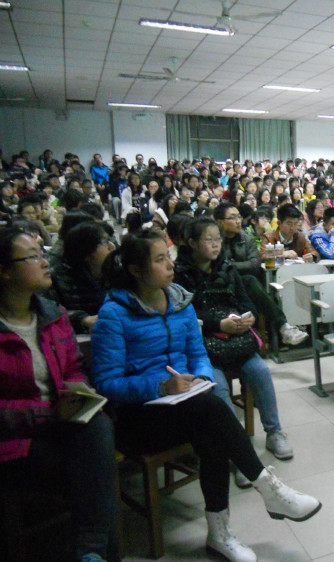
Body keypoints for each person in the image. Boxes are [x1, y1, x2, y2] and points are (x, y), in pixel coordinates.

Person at [91, 230, 321, 562]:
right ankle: (268, 489)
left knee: (211, 426)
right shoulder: (114, 314)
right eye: (159, 260)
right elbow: (107, 383)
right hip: (139, 417)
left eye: (168, 257)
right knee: (210, 413)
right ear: (136, 270)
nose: (170, 265)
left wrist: (201, 376)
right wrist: (160, 386)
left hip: (186, 405)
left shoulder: (180, 302)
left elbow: (198, 354)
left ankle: (220, 533)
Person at [0, 225, 118, 562]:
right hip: (16, 441)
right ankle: (95, 551)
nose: (44, 261)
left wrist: (79, 392)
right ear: (5, 271)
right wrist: (51, 413)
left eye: (42, 253)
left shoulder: (52, 315)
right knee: (95, 470)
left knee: (98, 427)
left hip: (60, 425)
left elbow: (73, 368)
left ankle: (90, 551)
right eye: (32, 257)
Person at [174, 217, 293, 465]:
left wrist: (248, 317)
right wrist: (218, 324)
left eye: (218, 239)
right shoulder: (180, 276)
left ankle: (274, 432)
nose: (215, 245)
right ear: (192, 243)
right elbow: (187, 315)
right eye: (209, 239)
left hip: (236, 341)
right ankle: (238, 450)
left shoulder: (227, 268)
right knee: (218, 388)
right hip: (204, 348)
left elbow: (245, 301)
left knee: (261, 372)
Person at [49, 221, 115, 334]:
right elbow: (48, 313)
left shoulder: (116, 273)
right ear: (86, 251)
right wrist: (82, 319)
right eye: (105, 242)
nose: (112, 246)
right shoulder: (57, 277)